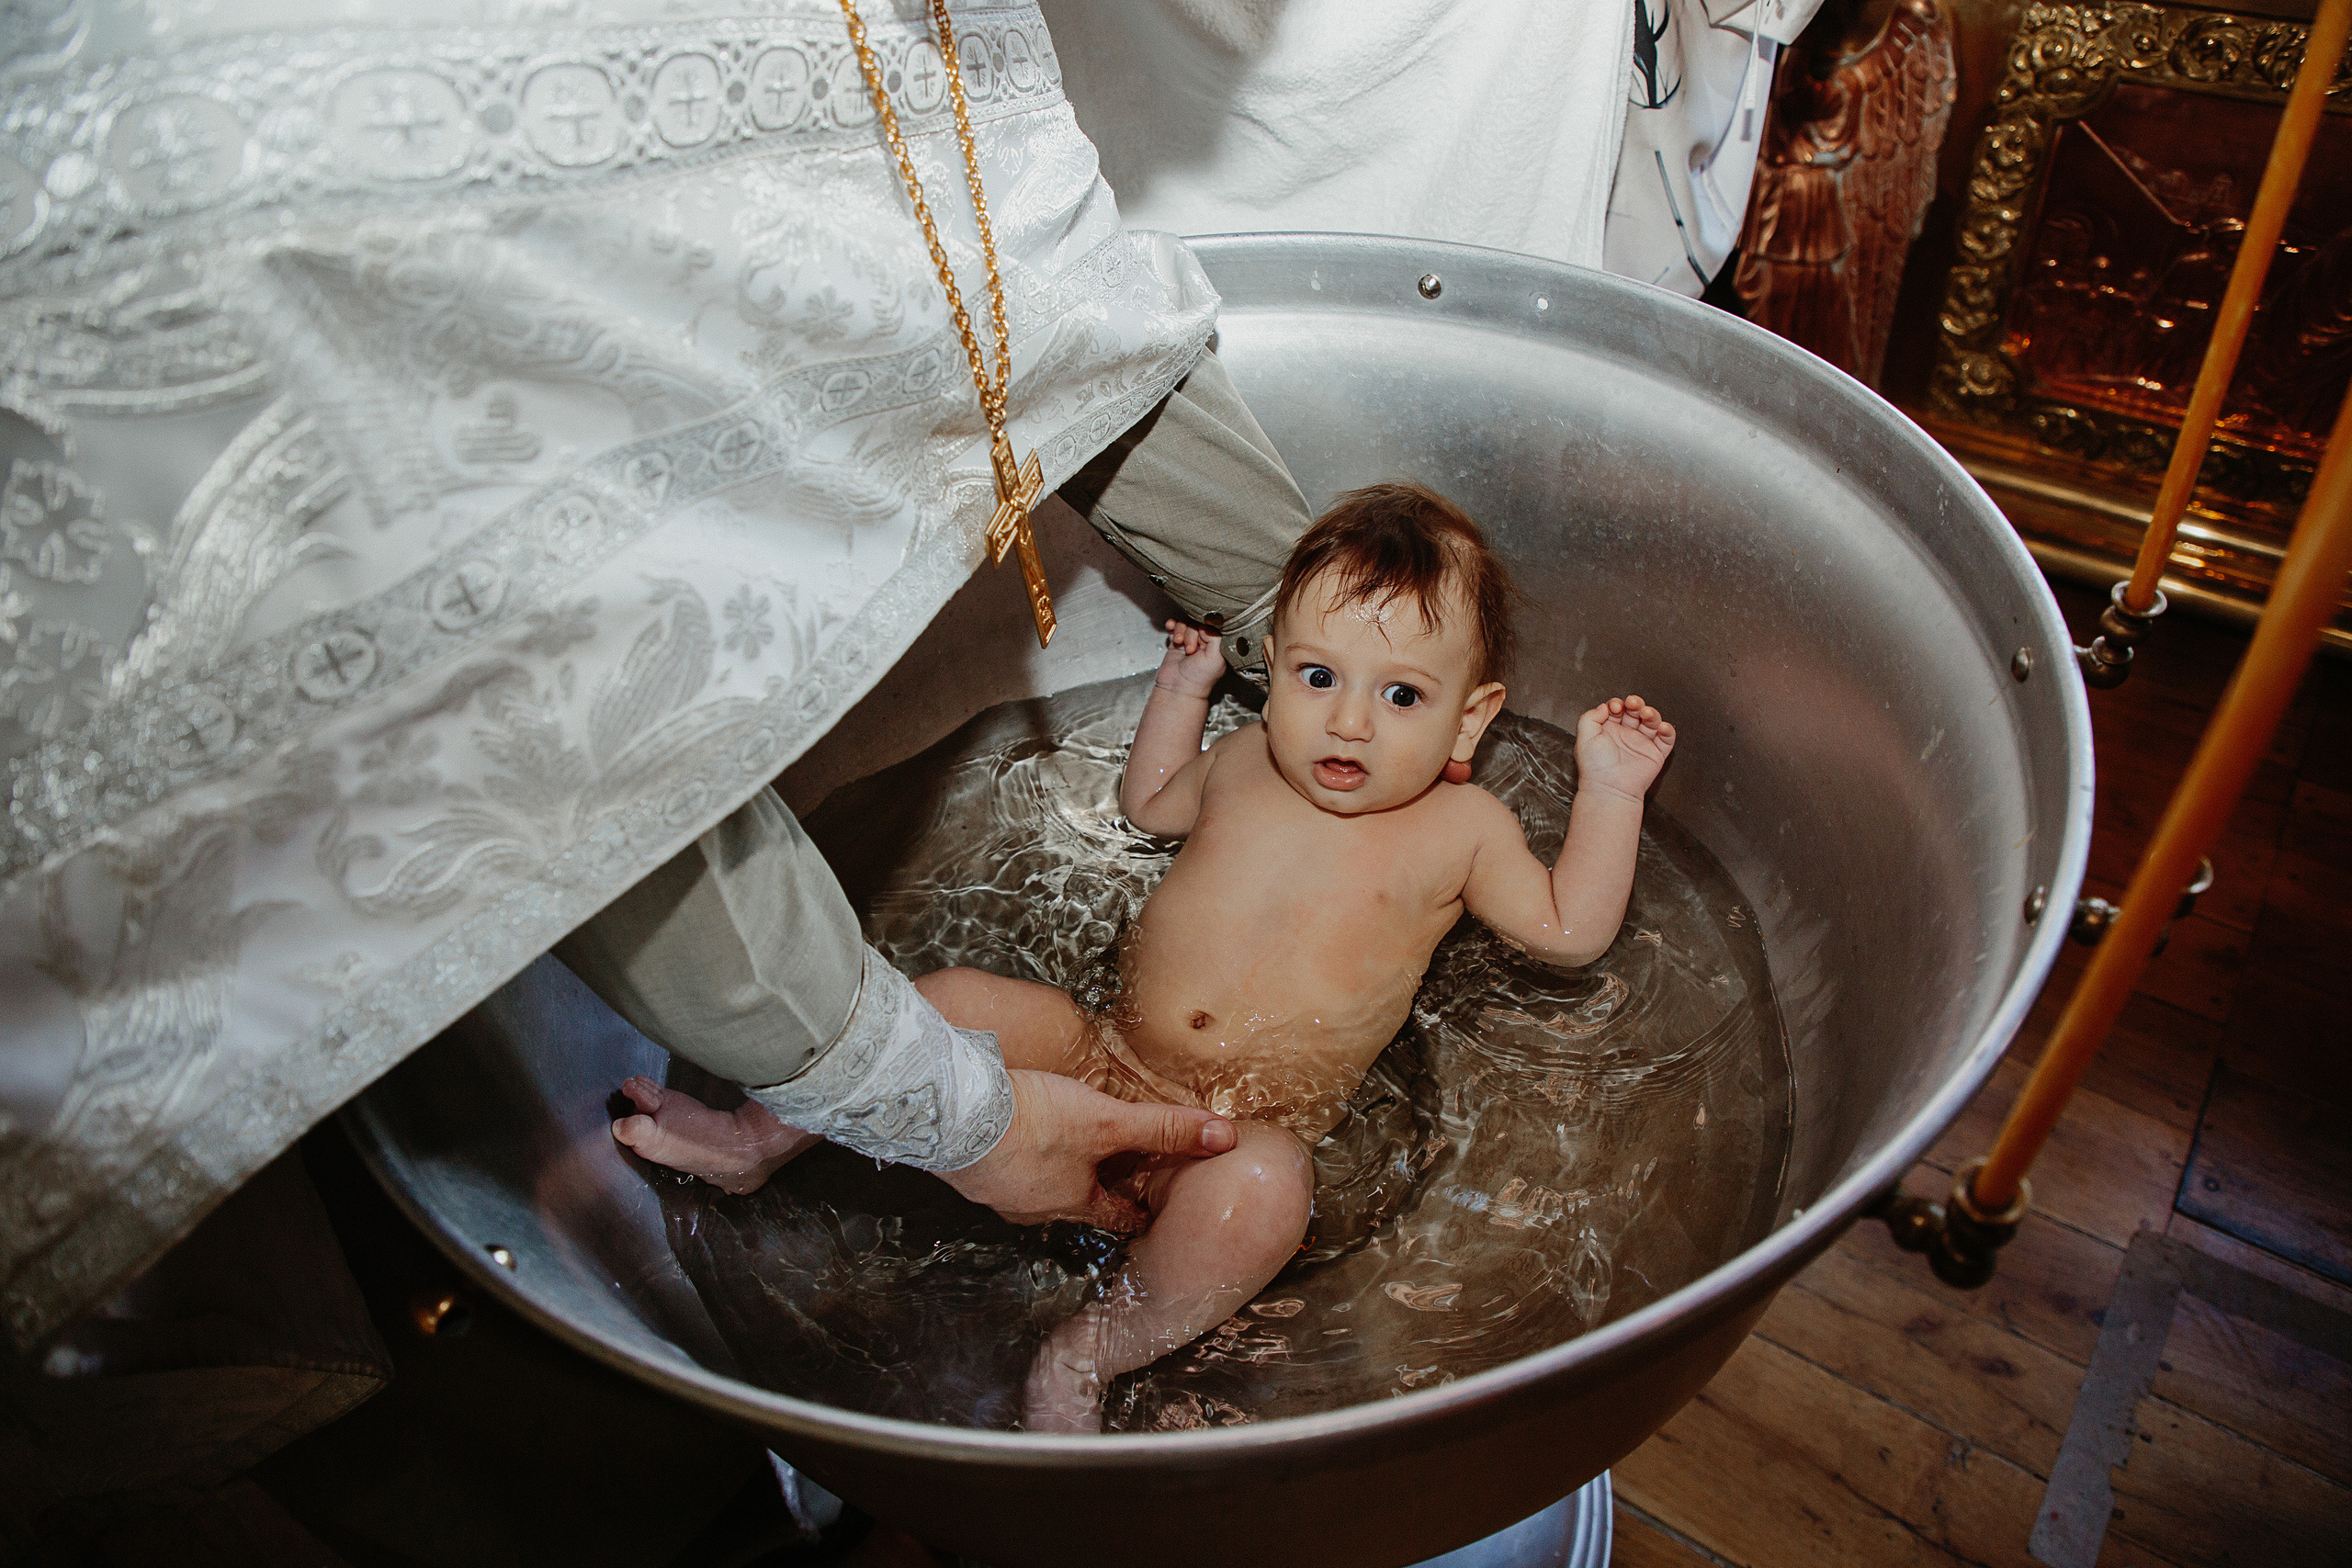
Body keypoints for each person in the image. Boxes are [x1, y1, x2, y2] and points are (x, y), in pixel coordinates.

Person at [613, 483, 1678, 1429]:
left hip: (1229, 1131)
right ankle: (758, 1139)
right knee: (950, 998)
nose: (1348, 723)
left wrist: (1611, 792)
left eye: (1401, 696)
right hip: (1098, 1055)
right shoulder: (1246, 756)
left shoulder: (1466, 830)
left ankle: (1092, 1348)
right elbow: (1147, 803)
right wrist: (1184, 689)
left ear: (1469, 720)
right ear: (1277, 674)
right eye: (1318, 676)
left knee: (1269, 1189)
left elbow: (1569, 930)